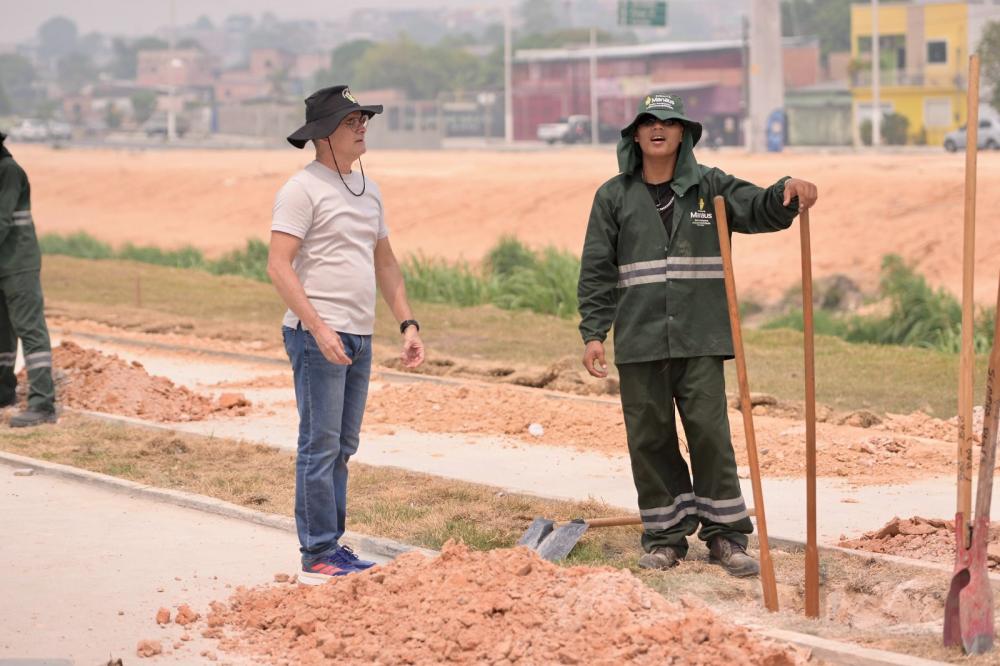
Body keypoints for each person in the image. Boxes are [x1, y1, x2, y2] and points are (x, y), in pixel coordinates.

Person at [577, 94, 817, 577]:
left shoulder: (711, 187)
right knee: (649, 438)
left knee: (710, 435)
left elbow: (759, 207)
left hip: (701, 337)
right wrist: (594, 331)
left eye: (669, 121)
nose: (658, 129)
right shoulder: (613, 196)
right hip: (641, 341)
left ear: (684, 132)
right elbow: (597, 269)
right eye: (648, 122)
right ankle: (666, 538)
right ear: (636, 135)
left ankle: (726, 537)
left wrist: (787, 188)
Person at [268, 86, 425, 584]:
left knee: (343, 445)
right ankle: (317, 552)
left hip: (360, 335)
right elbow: (278, 265)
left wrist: (407, 322)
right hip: (318, 337)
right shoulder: (302, 189)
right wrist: (318, 328)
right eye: (352, 120)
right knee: (320, 444)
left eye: (363, 119)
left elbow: (385, 261)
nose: (362, 127)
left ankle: (331, 544)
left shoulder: (369, 189)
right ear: (324, 134)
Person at [0, 131, 57, 427]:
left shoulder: (8, 171)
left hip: (18, 265)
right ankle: (3, 393)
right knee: (2, 335)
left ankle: (43, 404)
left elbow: (1, 220)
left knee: (30, 331)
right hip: (2, 265)